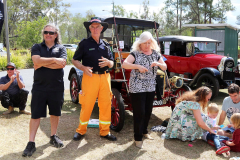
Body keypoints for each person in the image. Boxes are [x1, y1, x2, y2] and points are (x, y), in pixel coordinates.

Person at [22, 24, 67, 157]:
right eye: (46, 32)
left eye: (51, 33)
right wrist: (54, 60)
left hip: (56, 87)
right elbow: (35, 60)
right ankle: (31, 143)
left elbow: (62, 64)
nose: (48, 34)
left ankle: (53, 136)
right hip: (39, 87)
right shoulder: (37, 47)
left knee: (55, 113)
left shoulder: (61, 48)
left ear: (56, 35)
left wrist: (42, 63)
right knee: (35, 115)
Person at [72, 17, 116, 141]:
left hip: (105, 78)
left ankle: (105, 132)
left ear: (102, 28)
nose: (95, 29)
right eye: (93, 27)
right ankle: (81, 130)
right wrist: (82, 67)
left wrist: (109, 62)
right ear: (90, 28)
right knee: (87, 104)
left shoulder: (107, 45)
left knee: (106, 104)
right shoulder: (84, 44)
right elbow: (74, 60)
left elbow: (112, 63)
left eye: (98, 27)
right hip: (90, 77)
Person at [122, 31, 167, 149]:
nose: (147, 45)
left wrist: (157, 63)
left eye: (149, 42)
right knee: (139, 112)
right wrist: (138, 66)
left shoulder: (156, 54)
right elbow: (124, 64)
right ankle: (137, 138)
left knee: (148, 111)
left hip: (151, 86)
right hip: (137, 86)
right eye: (144, 43)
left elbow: (164, 67)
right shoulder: (135, 53)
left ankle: (145, 131)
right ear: (140, 43)